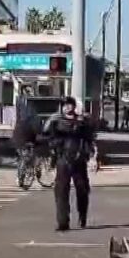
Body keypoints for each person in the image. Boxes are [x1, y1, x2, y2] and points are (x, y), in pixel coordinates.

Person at [43, 97, 96, 232]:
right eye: (65, 106)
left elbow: (90, 139)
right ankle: (62, 222)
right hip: (63, 160)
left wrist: (92, 156)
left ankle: (82, 215)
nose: (68, 108)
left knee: (82, 189)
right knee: (61, 192)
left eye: (70, 105)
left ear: (74, 106)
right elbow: (47, 136)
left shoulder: (82, 122)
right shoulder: (56, 121)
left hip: (79, 160)